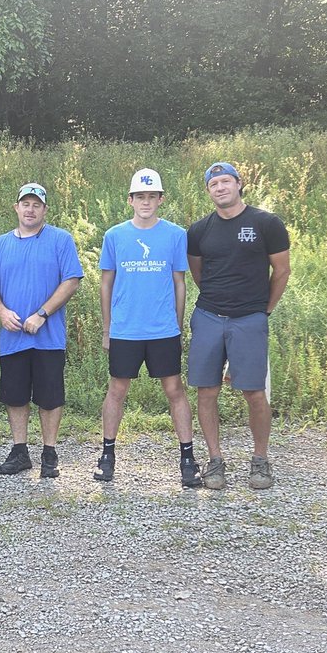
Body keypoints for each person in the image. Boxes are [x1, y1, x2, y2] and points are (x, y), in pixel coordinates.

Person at [187, 162, 291, 490]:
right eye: (213, 183)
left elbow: (282, 271)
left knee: (254, 392)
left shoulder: (267, 223)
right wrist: (218, 303)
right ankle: (215, 460)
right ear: (208, 191)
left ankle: (260, 460)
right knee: (207, 390)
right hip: (208, 317)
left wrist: (264, 311)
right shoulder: (199, 230)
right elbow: (199, 274)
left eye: (225, 181)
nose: (220, 187)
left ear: (239, 183)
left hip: (250, 319)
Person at [95, 169, 201, 488]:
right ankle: (107, 455)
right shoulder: (115, 235)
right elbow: (106, 283)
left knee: (174, 390)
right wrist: (107, 328)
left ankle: (187, 458)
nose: (146, 202)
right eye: (140, 197)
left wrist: (177, 327)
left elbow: (179, 283)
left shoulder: (174, 234)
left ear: (160, 199)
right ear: (130, 200)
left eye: (151, 196)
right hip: (125, 329)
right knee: (117, 389)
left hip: (162, 329)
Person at [0, 183, 83, 478]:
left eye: (36, 204)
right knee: (15, 396)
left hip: (48, 338)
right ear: (16, 208)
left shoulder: (60, 240)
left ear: (45, 210)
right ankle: (20, 450)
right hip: (13, 338)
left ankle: (49, 453)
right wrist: (1, 312)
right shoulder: (0, 244)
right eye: (25, 203)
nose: (30, 209)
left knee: (50, 397)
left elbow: (71, 280)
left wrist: (42, 313)